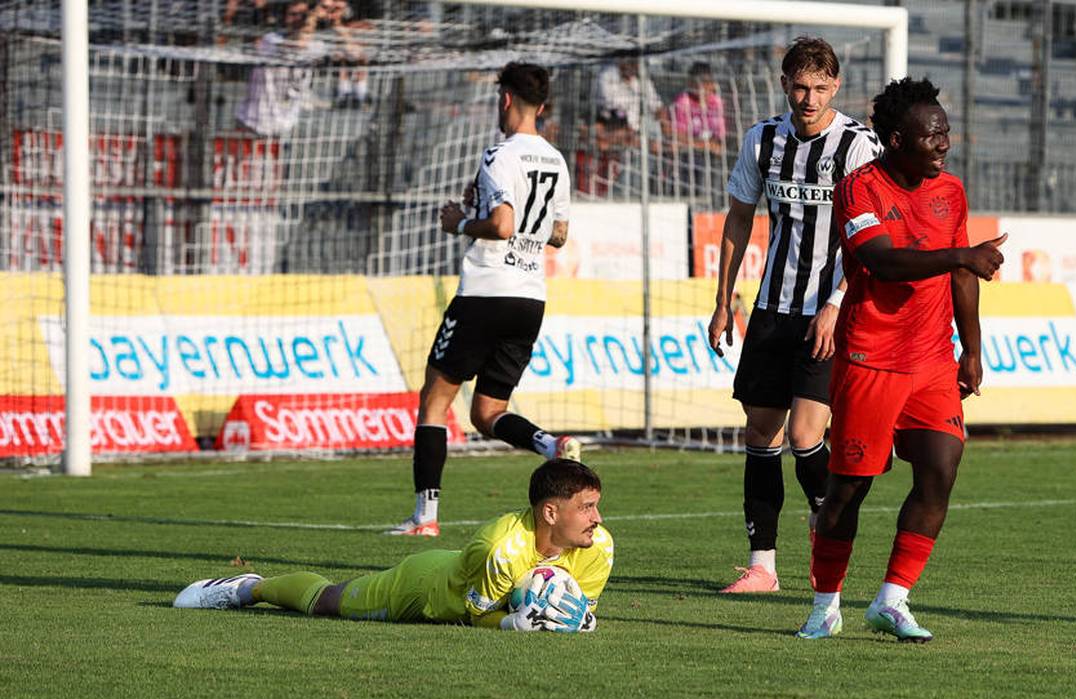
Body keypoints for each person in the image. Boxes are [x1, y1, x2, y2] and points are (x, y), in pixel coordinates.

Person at [795, 77, 1006, 641]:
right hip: (871, 358)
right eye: (932, 135)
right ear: (895, 139)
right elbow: (882, 261)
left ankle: (891, 600)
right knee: (849, 489)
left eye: (946, 132)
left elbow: (963, 273)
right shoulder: (859, 189)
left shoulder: (951, 193)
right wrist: (963, 253)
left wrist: (972, 350)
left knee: (940, 469)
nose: (943, 143)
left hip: (934, 360)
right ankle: (824, 604)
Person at [707, 37, 882, 594]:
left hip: (828, 311)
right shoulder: (762, 140)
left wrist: (835, 305)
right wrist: (722, 302)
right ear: (785, 85)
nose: (809, 98)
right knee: (761, 433)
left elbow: (868, 240)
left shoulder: (856, 146)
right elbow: (737, 221)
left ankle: (825, 516)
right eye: (800, 86)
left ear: (836, 87)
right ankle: (763, 565)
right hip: (771, 310)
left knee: (807, 433)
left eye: (820, 87)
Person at [387, 62, 579, 538]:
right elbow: (558, 234)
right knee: (487, 412)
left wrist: (458, 222)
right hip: (529, 297)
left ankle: (424, 518)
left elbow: (501, 225)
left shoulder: (500, 155)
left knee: (434, 403)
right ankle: (551, 446)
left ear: (507, 98)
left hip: (486, 292)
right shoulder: (556, 160)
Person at [175, 459, 612, 632]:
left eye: (596, 506)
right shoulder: (501, 548)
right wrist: (510, 625)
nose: (597, 519)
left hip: (456, 587)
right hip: (423, 588)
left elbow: (580, 606)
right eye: (587, 507)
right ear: (550, 513)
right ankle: (247, 588)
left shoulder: (600, 548)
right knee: (327, 602)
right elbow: (474, 614)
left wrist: (582, 621)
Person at [235, 0, 327, 137]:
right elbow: (292, 47)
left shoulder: (317, 45)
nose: (297, 19)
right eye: (293, 14)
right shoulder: (271, 39)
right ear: (285, 17)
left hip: (285, 125)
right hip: (252, 122)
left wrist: (311, 21)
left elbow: (304, 45)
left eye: (302, 15)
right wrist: (309, 19)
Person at [669, 62, 726, 153]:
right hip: (688, 153)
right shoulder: (683, 102)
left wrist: (712, 144)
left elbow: (720, 139)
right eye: (701, 83)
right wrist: (705, 145)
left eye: (708, 82)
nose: (704, 87)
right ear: (691, 83)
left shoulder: (717, 102)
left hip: (711, 153)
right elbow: (679, 137)